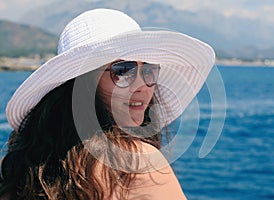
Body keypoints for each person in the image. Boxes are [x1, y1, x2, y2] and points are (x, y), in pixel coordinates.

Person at [0, 8, 215, 200]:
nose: (143, 85)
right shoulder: (138, 165)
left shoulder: (17, 166)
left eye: (148, 69)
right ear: (84, 85)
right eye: (123, 71)